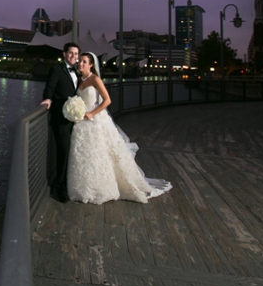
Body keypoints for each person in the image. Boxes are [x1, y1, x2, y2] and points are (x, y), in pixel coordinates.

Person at [67, 52, 172, 204]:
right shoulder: (79, 80)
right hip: (81, 122)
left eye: (84, 62)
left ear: (91, 65)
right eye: (80, 61)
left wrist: (92, 113)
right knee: (83, 153)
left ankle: (102, 187)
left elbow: (107, 100)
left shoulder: (95, 79)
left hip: (94, 119)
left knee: (99, 152)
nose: (80, 64)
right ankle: (82, 186)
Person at [40, 41, 80, 203]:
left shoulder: (77, 72)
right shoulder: (56, 69)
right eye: (70, 53)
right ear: (64, 54)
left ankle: (67, 184)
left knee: (70, 152)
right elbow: (50, 87)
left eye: (76, 54)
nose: (73, 56)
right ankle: (59, 188)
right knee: (63, 152)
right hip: (60, 118)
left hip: (74, 120)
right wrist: (48, 99)